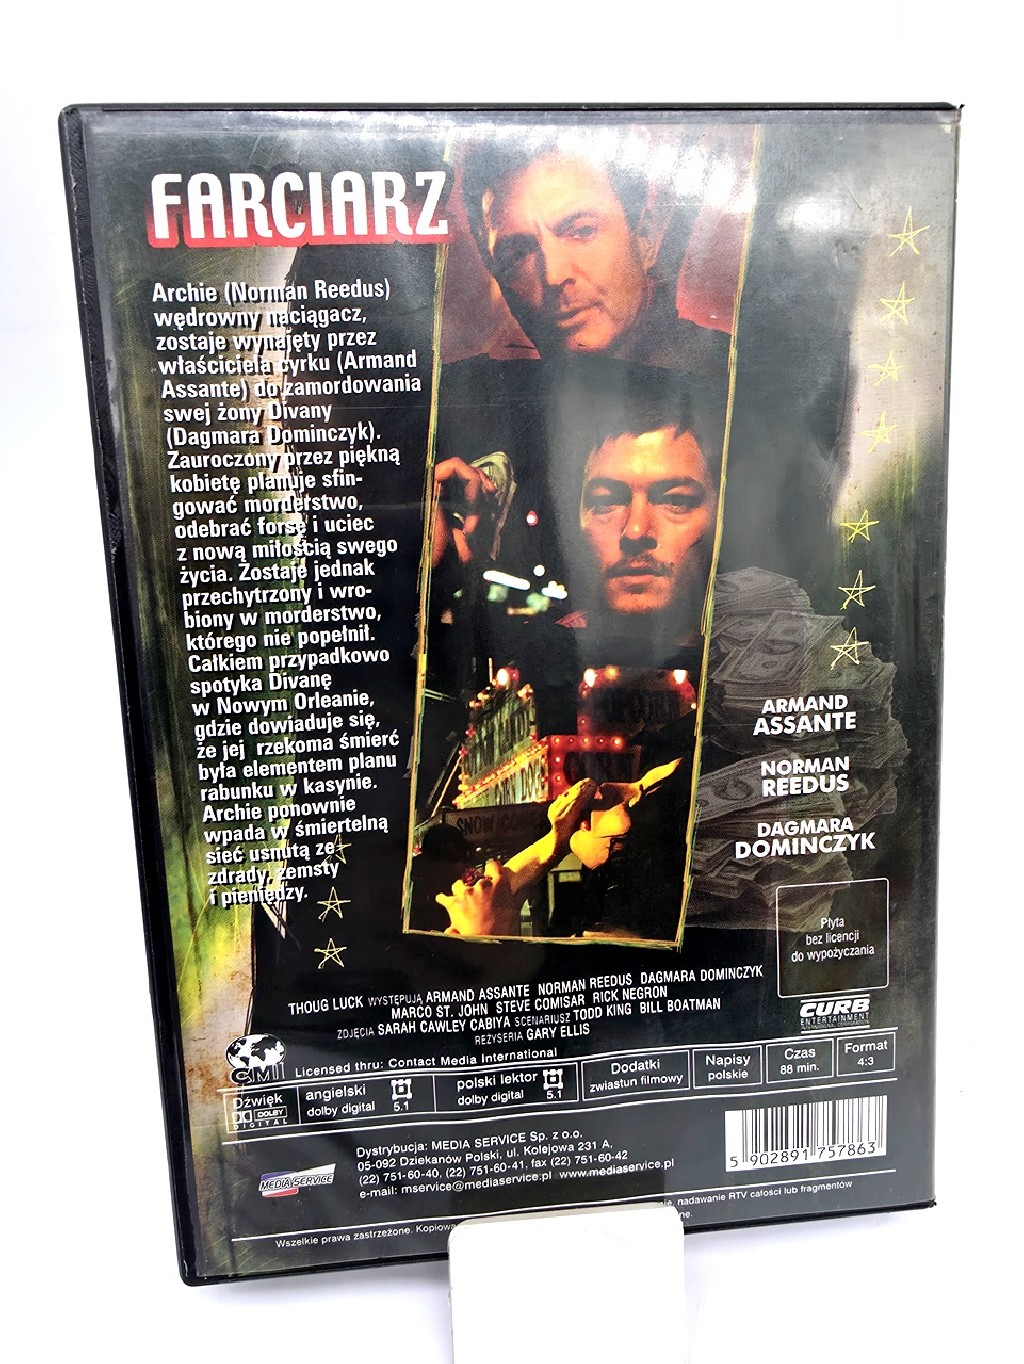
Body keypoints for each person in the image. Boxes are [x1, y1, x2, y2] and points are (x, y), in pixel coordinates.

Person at [458, 139, 729, 378]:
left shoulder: (734, 376)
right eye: (518, 254)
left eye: (582, 231)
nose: (553, 275)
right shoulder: (480, 396)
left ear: (646, 238)